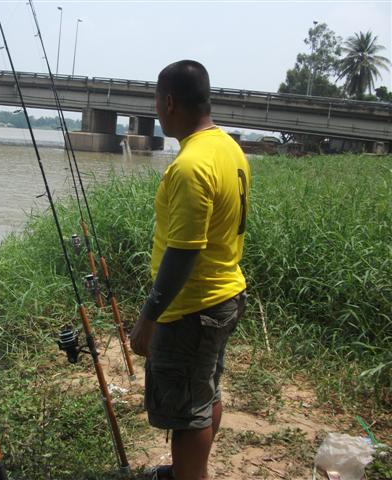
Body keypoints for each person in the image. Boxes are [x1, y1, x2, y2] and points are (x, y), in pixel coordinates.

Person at [129, 60, 250, 480]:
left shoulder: (189, 166)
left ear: (168, 102)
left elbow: (183, 252)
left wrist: (149, 318)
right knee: (205, 391)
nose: (158, 112)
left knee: (187, 415)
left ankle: (190, 475)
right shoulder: (230, 148)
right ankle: (187, 471)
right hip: (223, 297)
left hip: (191, 310)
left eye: (157, 104)